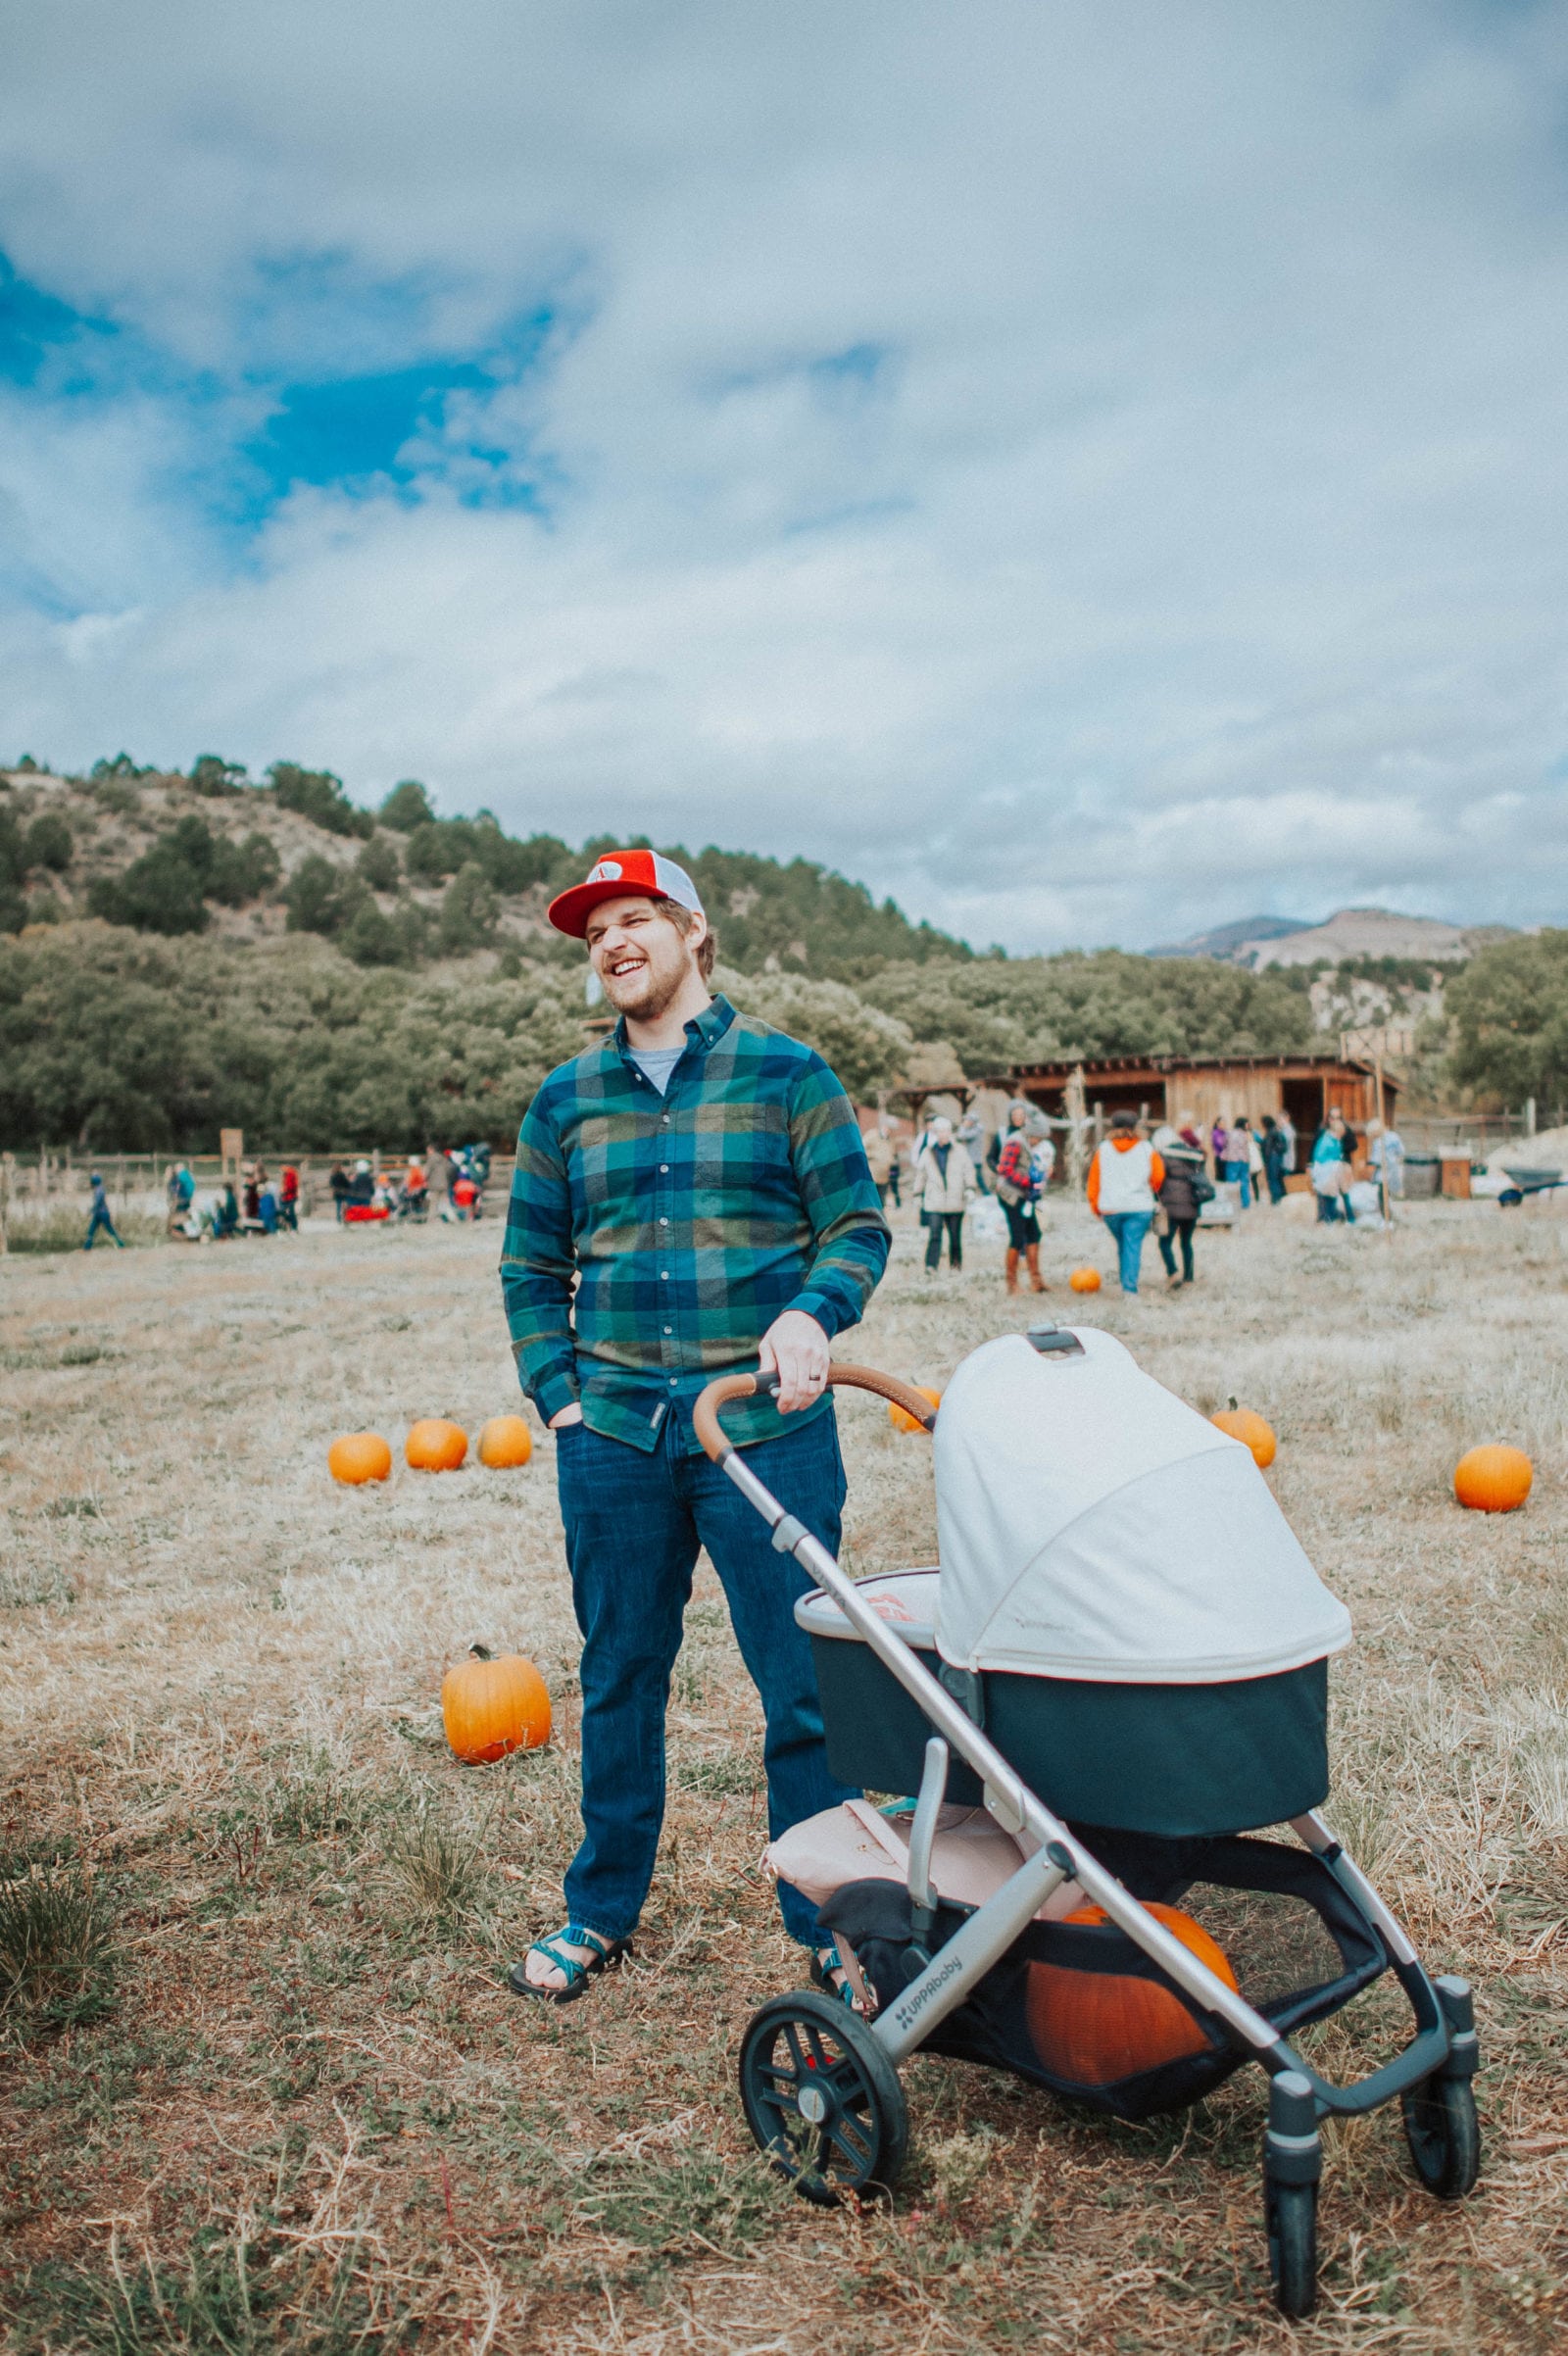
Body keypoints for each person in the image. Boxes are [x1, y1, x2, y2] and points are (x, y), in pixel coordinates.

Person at [500, 846, 889, 2004]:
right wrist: (559, 1396)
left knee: (804, 1683)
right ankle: (600, 1908)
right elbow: (529, 1266)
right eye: (593, 933)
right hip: (612, 1437)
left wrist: (814, 1316)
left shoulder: (786, 1073)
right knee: (620, 1673)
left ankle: (827, 1915)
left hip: (763, 1432)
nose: (612, 942)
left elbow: (855, 1228)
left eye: (633, 919)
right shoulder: (566, 1098)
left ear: (692, 933)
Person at [1087, 1110, 1165, 1295]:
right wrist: (1149, 1188)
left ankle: (1125, 1281)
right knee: (1132, 1245)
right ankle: (1129, 1288)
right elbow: (1158, 1176)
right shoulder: (1147, 1148)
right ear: (1135, 1126)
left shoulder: (1103, 1149)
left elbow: (1094, 1181)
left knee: (1123, 1244)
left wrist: (1095, 1206)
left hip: (1111, 1207)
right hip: (1139, 1206)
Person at [994, 1101, 1047, 1294]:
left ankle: (1036, 1281)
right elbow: (1005, 1170)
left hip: (1024, 1196)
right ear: (1031, 1133)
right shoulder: (1015, 1142)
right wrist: (1029, 1182)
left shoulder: (1027, 1143)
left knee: (1034, 1234)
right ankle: (1012, 1283)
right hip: (1010, 1196)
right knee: (1017, 1237)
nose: (1039, 1142)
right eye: (1038, 1138)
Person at [912, 1113, 975, 1271]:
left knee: (955, 1237)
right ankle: (931, 1266)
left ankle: (955, 1266)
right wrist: (917, 1194)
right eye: (939, 1131)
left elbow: (968, 1170)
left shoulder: (960, 1151)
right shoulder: (928, 1152)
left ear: (950, 1132)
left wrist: (970, 1188)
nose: (943, 1134)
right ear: (936, 1133)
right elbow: (921, 1174)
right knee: (934, 1235)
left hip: (955, 1201)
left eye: (946, 1131)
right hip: (935, 1202)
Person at [1153, 1127, 1208, 1288]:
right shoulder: (1193, 1154)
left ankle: (1173, 1272)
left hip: (1171, 1206)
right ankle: (1189, 1278)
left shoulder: (1163, 1156)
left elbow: (1158, 1178)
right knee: (1186, 1243)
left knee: (1164, 1242)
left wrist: (1157, 1197)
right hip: (1192, 1205)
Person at [1309, 1109, 1354, 1224]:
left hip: (1335, 1171)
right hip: (1325, 1171)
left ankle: (1348, 1217)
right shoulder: (1325, 1140)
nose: (1340, 1137)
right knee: (1326, 1194)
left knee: (1340, 1192)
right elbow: (1318, 1156)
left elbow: (1346, 1148)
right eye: (1340, 1135)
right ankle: (1327, 1218)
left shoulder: (1336, 1140)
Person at [83, 1170, 124, 1251]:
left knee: (108, 1229)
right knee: (91, 1230)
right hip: (99, 1213)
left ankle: (120, 1244)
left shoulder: (99, 1190)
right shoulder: (99, 1189)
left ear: (93, 1183)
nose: (90, 1184)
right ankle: (87, 1247)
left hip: (102, 1214)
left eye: (91, 1182)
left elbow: (98, 1202)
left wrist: (91, 1211)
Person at [1366, 1119, 1404, 1202]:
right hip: (1393, 1168)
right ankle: (1388, 1210)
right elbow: (1401, 1151)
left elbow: (1375, 1160)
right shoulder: (1394, 1136)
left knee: (1382, 1194)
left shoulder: (1378, 1142)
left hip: (1382, 1171)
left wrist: (1368, 1164)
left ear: (1375, 1132)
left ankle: (1385, 1212)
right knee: (1390, 1192)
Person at [861, 1124, 896, 1209]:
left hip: (884, 1176)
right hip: (873, 1175)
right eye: (888, 1128)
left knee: (881, 1201)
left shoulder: (890, 1140)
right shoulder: (872, 1135)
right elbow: (861, 1148)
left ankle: (879, 1218)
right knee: (871, 1199)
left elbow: (891, 1154)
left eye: (891, 1129)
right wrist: (873, 1155)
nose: (889, 1130)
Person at [956, 1107, 990, 1194]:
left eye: (967, 1120)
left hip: (974, 1160)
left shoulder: (976, 1131)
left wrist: (963, 1126)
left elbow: (960, 1136)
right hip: (973, 1159)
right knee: (975, 1179)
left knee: (978, 1180)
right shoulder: (975, 1129)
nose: (965, 1121)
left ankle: (987, 1194)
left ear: (971, 1122)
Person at [1225, 1117, 1254, 1208]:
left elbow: (1225, 1144)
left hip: (1233, 1160)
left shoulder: (1230, 1133)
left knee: (1232, 1182)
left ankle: (1232, 1204)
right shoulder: (1245, 1134)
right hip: (1244, 1160)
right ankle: (1246, 1204)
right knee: (1244, 1182)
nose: (1248, 1125)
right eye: (1246, 1123)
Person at [279, 1163, 300, 1231]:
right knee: (288, 1212)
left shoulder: (290, 1174)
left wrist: (284, 1191)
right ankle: (291, 1226)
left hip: (290, 1197)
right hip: (288, 1197)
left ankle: (293, 1226)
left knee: (289, 1213)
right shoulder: (289, 1174)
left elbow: (290, 1187)